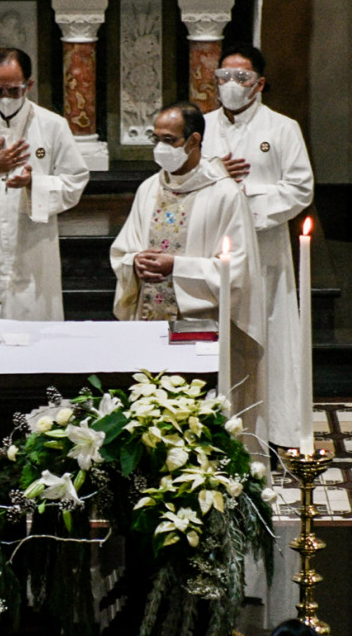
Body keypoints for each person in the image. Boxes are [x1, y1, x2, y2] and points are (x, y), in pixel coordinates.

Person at [111, 101, 265, 434]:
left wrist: (176, 267)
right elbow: (124, 249)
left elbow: (237, 270)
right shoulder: (149, 188)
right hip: (148, 324)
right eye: (156, 138)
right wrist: (133, 263)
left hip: (199, 332)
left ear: (194, 141)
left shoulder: (225, 194)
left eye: (169, 140)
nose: (159, 147)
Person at [202, 43, 314, 451]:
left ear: (259, 83)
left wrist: (245, 200)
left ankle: (274, 426)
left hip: (265, 248)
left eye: (241, 78)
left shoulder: (282, 128)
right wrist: (216, 176)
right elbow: (182, 179)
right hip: (215, 249)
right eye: (223, 78)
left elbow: (300, 188)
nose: (231, 85)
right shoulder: (202, 127)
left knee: (270, 332)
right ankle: (216, 424)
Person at [0, 47, 88, 320]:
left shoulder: (52, 125)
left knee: (33, 324)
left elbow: (75, 181)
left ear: (29, 85)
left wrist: (35, 184)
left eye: (14, 90)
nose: (6, 98)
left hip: (32, 245)